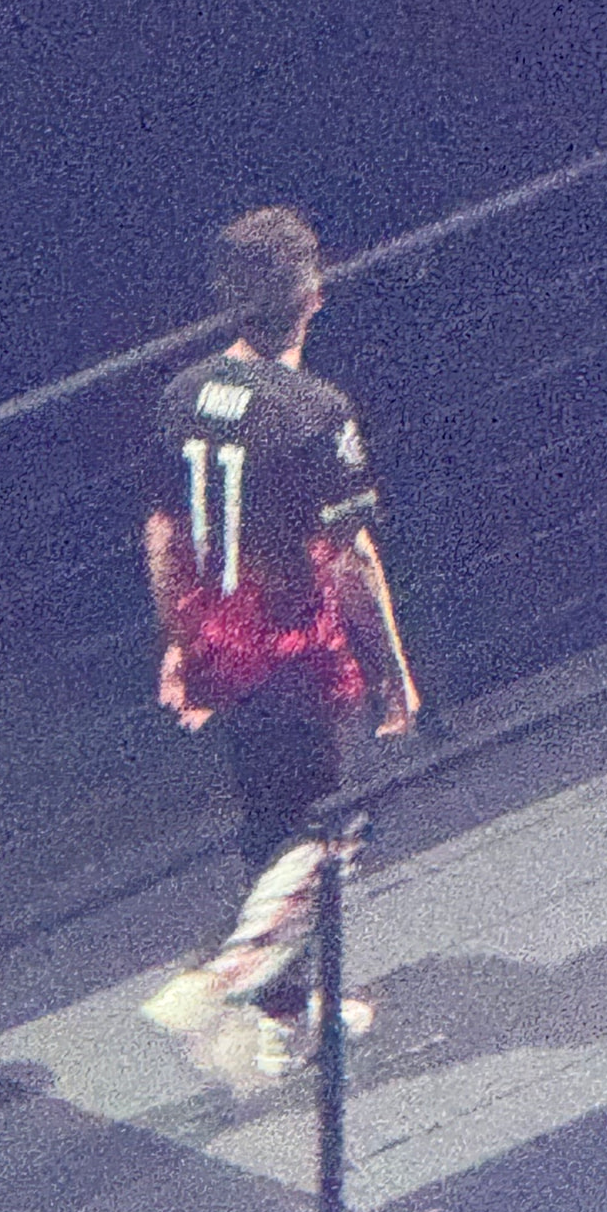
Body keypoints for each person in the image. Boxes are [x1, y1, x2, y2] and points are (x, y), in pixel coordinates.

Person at [139, 205, 420, 1077]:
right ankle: (225, 977)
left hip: (218, 634)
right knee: (331, 830)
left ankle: (286, 1011)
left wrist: (181, 640)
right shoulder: (312, 411)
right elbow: (349, 558)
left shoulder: (183, 394)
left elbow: (163, 534)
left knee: (268, 822)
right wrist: (392, 671)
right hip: (291, 643)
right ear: (311, 296)